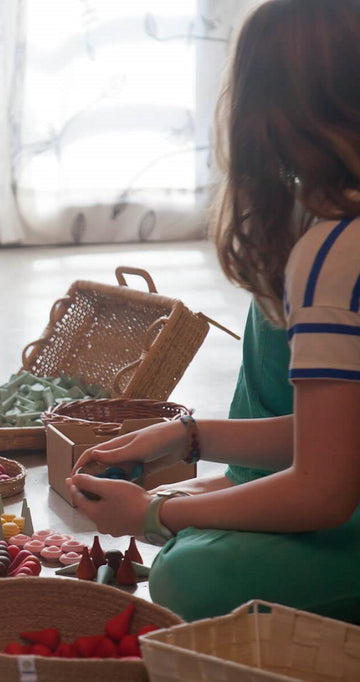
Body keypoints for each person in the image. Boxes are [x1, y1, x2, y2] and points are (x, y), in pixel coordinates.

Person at [67, 0, 360, 623]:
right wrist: (187, 435)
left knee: (190, 575)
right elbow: (339, 438)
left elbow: (328, 490)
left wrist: (155, 514)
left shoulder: (334, 252)